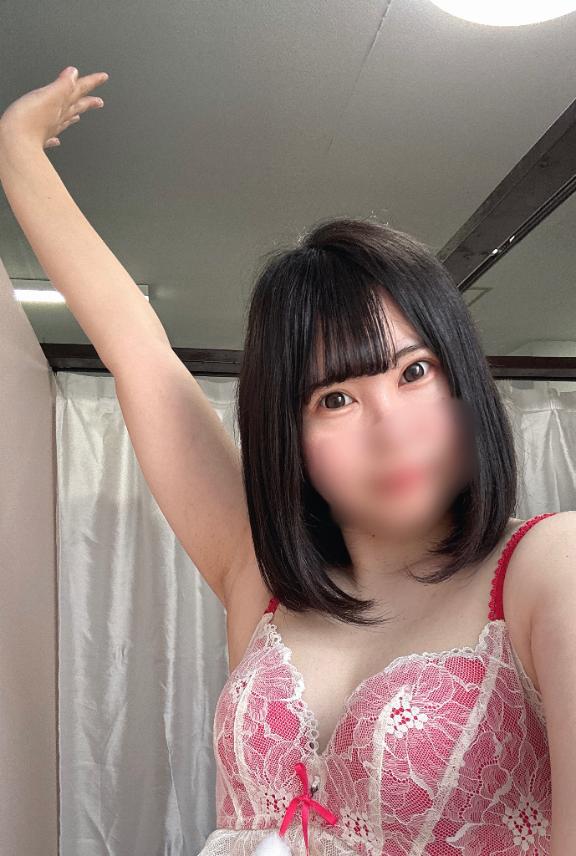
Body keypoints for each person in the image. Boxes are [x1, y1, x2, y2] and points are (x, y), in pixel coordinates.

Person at [0, 65, 570, 855]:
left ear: (462, 380)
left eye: (414, 372)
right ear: (289, 437)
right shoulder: (259, 575)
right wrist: (17, 150)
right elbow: (138, 351)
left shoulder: (548, 567)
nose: (391, 430)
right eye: (335, 398)